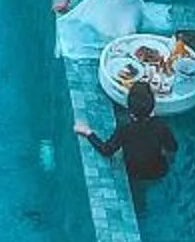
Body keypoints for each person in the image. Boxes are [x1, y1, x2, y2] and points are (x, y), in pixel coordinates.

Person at [76, 78, 177, 208]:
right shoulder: (162, 127)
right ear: (153, 105)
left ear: (130, 109)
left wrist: (88, 132)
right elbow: (173, 148)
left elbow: (106, 150)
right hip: (159, 171)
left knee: (138, 193)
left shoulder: (125, 129)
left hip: (135, 173)